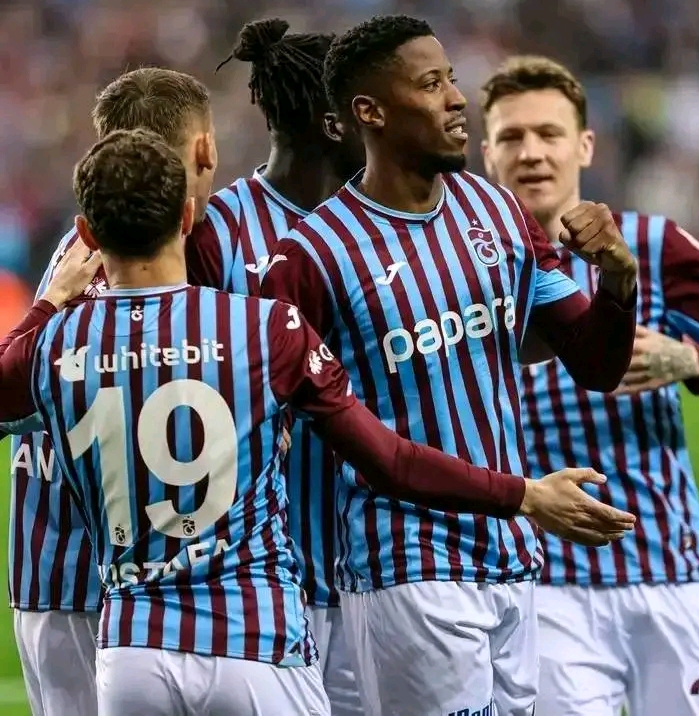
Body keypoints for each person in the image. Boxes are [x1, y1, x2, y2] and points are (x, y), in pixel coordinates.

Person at [0, 130, 633, 716]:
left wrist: (49, 302)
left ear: (86, 231)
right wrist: (522, 494)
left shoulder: (55, 343)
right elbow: (387, 460)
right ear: (189, 218)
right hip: (255, 640)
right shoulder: (264, 329)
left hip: (131, 650)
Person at [259, 14, 639, 716]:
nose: (457, 99)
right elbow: (374, 456)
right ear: (370, 112)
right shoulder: (309, 257)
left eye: (452, 79)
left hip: (511, 559)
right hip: (408, 568)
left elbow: (595, 364)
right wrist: (526, 496)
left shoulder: (498, 213)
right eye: (431, 84)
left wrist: (618, 279)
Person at [480, 54, 699, 716]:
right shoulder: (460, 269)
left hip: (669, 574)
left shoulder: (653, 246)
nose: (531, 152)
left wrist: (693, 360)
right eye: (511, 136)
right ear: (486, 154)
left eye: (548, 133)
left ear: (584, 145)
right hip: (542, 583)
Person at [9, 67, 218, 716]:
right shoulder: (126, 272)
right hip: (88, 578)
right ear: (204, 149)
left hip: (71, 571)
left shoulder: (88, 250)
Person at [187, 17, 366, 715]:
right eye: (364, 107)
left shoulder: (383, 219)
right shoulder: (219, 230)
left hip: (384, 566)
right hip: (269, 577)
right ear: (332, 123)